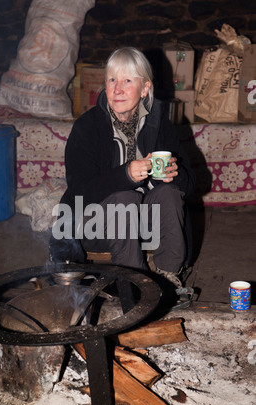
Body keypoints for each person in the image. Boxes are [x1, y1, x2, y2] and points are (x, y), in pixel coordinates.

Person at [51, 47, 195, 289]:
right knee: (124, 199)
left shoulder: (160, 125)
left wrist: (175, 174)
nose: (117, 89)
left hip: (148, 224)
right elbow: (79, 192)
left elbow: (190, 186)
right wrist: (125, 175)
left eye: (127, 80)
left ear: (145, 88)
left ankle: (170, 276)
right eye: (112, 80)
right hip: (94, 224)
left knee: (169, 193)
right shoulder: (87, 128)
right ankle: (136, 284)